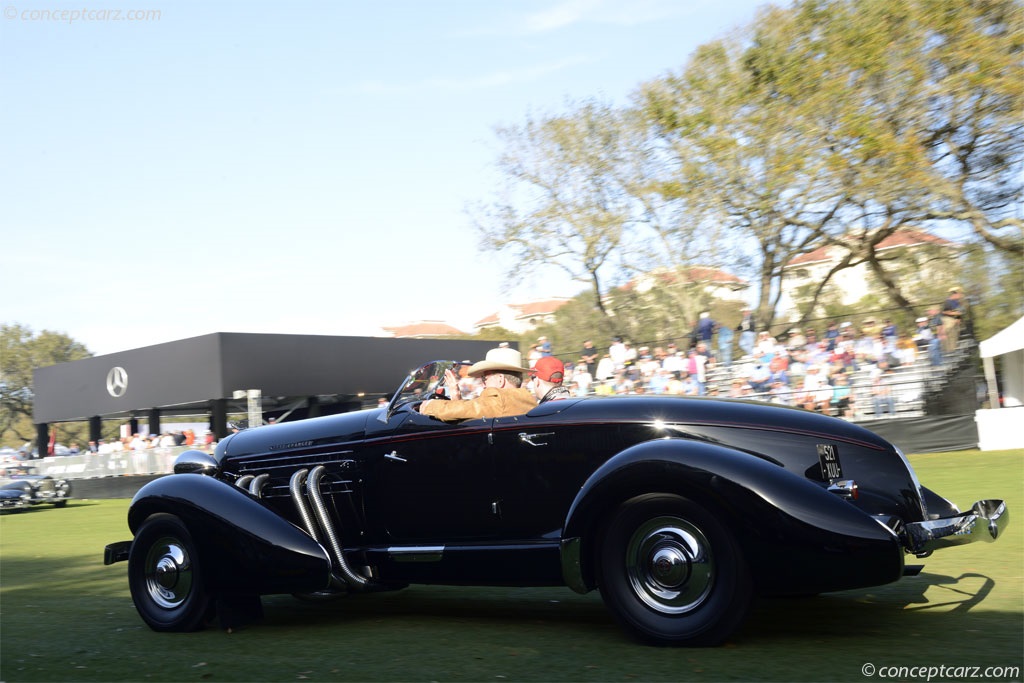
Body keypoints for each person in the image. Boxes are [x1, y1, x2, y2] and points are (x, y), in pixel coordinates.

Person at [419, 347, 537, 420]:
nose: (483, 384)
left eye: (485, 378)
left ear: (501, 380)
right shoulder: (529, 400)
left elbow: (460, 410)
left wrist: (429, 405)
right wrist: (456, 396)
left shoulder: (500, 400)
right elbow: (471, 413)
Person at [940, 286, 964, 353]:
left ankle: (953, 349)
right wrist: (956, 313)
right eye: (959, 294)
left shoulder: (957, 303)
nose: (960, 296)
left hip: (954, 320)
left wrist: (959, 318)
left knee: (955, 334)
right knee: (949, 332)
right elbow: (945, 312)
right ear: (955, 294)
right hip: (947, 319)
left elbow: (960, 312)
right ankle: (947, 350)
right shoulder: (947, 302)